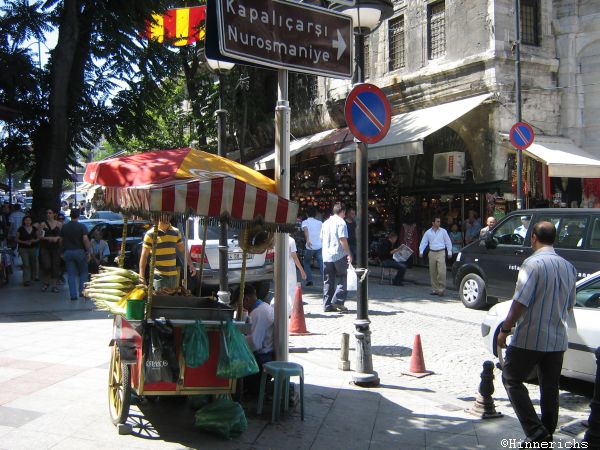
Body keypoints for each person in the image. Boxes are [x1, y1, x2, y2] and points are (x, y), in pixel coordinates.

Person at [497, 221, 576, 444]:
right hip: (557, 338)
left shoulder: (532, 264)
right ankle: (546, 434)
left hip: (530, 336)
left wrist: (505, 329)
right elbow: (570, 305)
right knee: (550, 388)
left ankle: (535, 431)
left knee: (511, 378)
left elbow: (520, 302)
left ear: (533, 237)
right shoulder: (568, 267)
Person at [139, 215, 196, 290]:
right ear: (159, 216)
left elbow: (183, 250)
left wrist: (191, 264)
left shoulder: (176, 232)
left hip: (173, 276)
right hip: (158, 276)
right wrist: (141, 276)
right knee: (161, 297)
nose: (167, 217)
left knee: (172, 297)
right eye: (165, 214)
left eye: (169, 214)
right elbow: (144, 256)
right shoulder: (150, 234)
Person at [240, 284, 274, 395]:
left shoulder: (258, 312)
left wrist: (239, 340)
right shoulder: (263, 306)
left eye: (240, 303)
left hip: (263, 359)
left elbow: (255, 343)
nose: (241, 307)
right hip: (266, 355)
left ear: (246, 299)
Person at [320, 203, 352, 312]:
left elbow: (321, 239)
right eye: (344, 213)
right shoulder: (341, 222)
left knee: (328, 280)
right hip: (339, 255)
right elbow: (342, 239)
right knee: (346, 276)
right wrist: (348, 253)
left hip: (326, 255)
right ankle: (337, 300)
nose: (345, 215)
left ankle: (327, 305)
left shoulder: (325, 223)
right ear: (342, 212)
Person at [60, 209, 92, 301]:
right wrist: (89, 251)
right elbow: (85, 240)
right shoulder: (82, 226)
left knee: (71, 274)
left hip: (68, 252)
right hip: (80, 252)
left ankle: (73, 295)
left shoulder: (65, 227)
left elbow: (61, 240)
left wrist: (61, 252)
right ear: (78, 216)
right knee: (83, 272)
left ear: (70, 216)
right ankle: (82, 291)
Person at [418, 217, 452, 296]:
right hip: (432, 252)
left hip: (441, 252)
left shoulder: (443, 231)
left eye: (439, 221)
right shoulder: (428, 232)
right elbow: (424, 242)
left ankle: (441, 289)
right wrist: (421, 251)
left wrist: (449, 252)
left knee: (442, 272)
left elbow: (448, 241)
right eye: (437, 221)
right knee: (433, 272)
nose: (439, 223)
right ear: (433, 223)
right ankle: (435, 289)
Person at [38, 208, 62, 293]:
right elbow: (39, 236)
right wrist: (49, 238)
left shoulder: (59, 224)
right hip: (45, 247)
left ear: (54, 214)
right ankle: (46, 282)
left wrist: (57, 238)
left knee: (55, 266)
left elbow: (62, 236)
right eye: (47, 213)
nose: (48, 214)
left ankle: (54, 285)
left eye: (50, 213)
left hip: (56, 248)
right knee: (47, 266)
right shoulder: (43, 224)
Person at [301, 207, 323, 287]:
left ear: (307, 214)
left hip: (309, 246)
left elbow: (306, 230)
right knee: (321, 262)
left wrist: (308, 240)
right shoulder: (320, 223)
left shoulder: (305, 222)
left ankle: (309, 280)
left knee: (306, 262)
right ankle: (325, 279)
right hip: (319, 246)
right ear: (315, 214)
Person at [16, 215, 39, 286]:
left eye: (29, 220)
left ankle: (32, 276)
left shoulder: (34, 229)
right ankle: (26, 280)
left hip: (33, 248)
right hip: (23, 248)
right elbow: (16, 239)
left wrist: (33, 241)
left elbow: (38, 238)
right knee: (26, 264)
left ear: (31, 221)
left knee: (33, 263)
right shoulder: (20, 229)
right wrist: (24, 242)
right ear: (24, 221)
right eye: (26, 220)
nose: (28, 222)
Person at [287, 235, 306, 314]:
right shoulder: (291, 240)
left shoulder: (276, 239)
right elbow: (294, 256)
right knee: (291, 288)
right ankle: (291, 310)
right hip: (289, 266)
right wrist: (302, 270)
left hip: (279, 266)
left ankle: (285, 309)